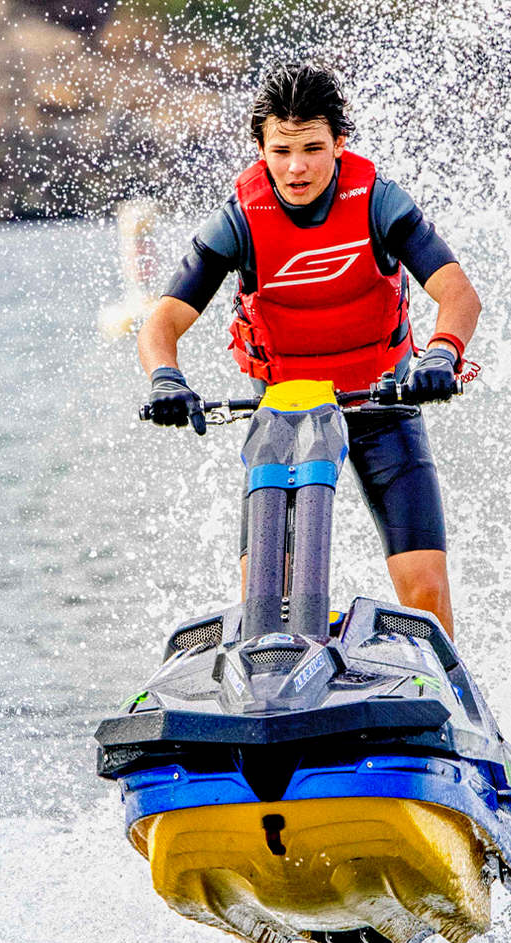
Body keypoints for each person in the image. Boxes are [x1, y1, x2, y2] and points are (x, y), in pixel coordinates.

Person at [135, 63, 480, 638]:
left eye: (313, 149)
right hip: (284, 417)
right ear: (261, 150)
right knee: (266, 595)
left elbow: (459, 294)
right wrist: (167, 379)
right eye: (282, 151)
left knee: (424, 588)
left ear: (339, 143)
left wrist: (441, 354)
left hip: (381, 405)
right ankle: (271, 671)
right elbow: (161, 322)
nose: (297, 167)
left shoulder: (378, 203)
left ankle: (439, 682)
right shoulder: (239, 221)